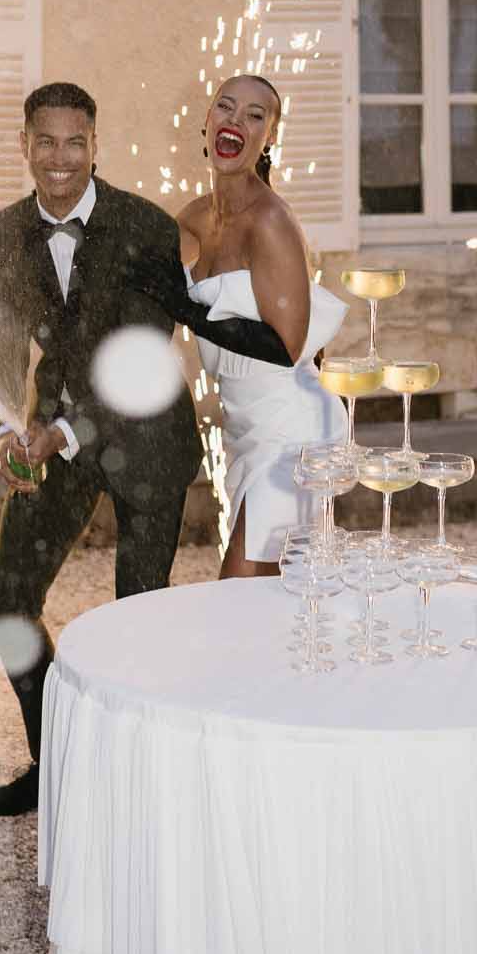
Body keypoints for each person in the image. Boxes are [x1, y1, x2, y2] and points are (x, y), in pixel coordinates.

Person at [0, 80, 301, 817]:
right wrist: (4, 430)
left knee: (138, 617)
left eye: (75, 142)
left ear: (95, 145)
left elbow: (143, 356)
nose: (60, 158)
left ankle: (141, 788)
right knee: (8, 602)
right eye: (45, 141)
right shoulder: (3, 232)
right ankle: (54, 763)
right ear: (23, 146)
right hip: (55, 440)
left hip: (145, 442)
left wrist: (64, 429)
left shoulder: (144, 226)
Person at [128, 75, 347, 578]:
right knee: (274, 601)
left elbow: (287, 347)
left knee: (238, 588)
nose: (235, 120)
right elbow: (148, 302)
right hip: (244, 425)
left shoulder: (271, 222)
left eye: (255, 115)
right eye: (225, 107)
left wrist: (186, 309)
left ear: (269, 137)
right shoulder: (193, 220)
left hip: (293, 427)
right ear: (207, 123)